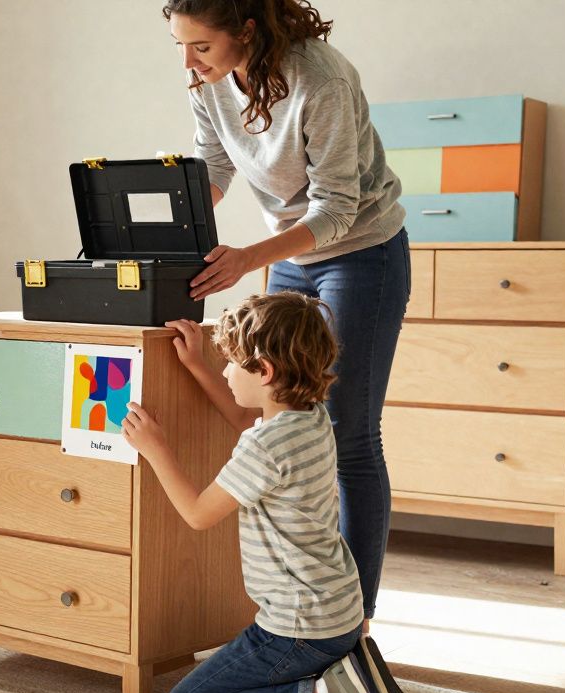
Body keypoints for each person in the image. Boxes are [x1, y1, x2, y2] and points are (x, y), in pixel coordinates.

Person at [163, 0, 410, 635]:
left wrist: (248, 259)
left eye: (201, 48)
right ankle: (302, 604)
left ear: (246, 31)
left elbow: (336, 208)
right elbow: (211, 169)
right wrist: (176, 230)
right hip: (292, 255)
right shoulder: (210, 83)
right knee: (277, 413)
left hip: (360, 250)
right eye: (181, 46)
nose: (188, 63)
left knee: (348, 433)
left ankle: (354, 619)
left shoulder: (318, 78)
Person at [121, 293, 416, 693]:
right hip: (338, 611)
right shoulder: (310, 418)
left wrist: (155, 448)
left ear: (266, 371)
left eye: (233, 363)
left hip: (298, 626)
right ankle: (344, 667)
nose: (225, 371)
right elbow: (244, 417)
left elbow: (198, 514)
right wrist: (198, 365)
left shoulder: (264, 446)